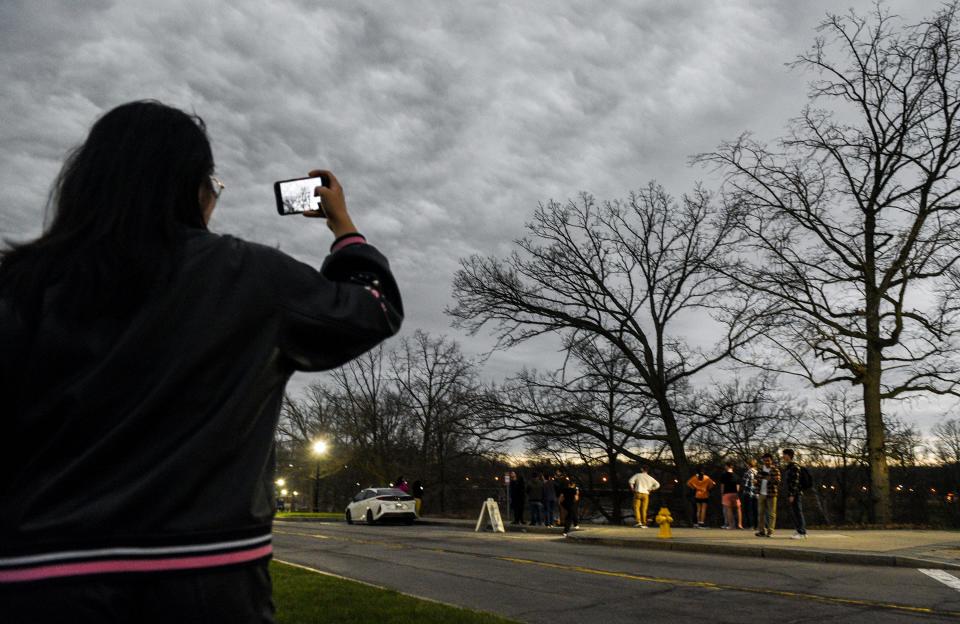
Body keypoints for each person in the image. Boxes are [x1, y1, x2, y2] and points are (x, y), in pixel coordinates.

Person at [0, 101, 403, 623]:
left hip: (36, 578)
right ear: (193, 188)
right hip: (203, 575)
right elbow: (373, 307)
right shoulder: (248, 276)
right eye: (212, 183)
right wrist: (342, 226)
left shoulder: (19, 286)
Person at [782, 449, 807, 540]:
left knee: (798, 512)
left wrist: (792, 494)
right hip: (791, 493)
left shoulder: (794, 467)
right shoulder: (789, 466)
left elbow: (795, 482)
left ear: (789, 455)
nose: (783, 456)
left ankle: (802, 532)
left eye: (784, 455)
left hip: (796, 493)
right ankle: (798, 529)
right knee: (795, 512)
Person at [755, 453, 781, 538]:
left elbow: (778, 481)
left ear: (771, 460)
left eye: (768, 460)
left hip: (771, 493)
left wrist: (770, 479)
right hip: (761, 493)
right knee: (760, 513)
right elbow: (757, 480)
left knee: (771, 514)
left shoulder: (775, 470)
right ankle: (761, 530)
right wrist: (756, 483)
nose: (766, 462)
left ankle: (770, 531)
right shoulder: (760, 469)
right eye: (765, 460)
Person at [719, 461, 743, 530]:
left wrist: (722, 494)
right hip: (735, 494)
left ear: (727, 466)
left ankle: (731, 525)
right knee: (738, 508)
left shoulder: (723, 475)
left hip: (726, 493)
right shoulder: (736, 476)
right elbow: (738, 488)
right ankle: (740, 524)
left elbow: (722, 486)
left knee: (729, 509)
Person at [741, 459, 759, 530]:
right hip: (756, 493)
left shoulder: (747, 473)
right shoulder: (757, 472)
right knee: (755, 510)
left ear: (748, 464)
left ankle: (750, 525)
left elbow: (745, 484)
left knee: (747, 509)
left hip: (748, 493)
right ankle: (756, 525)